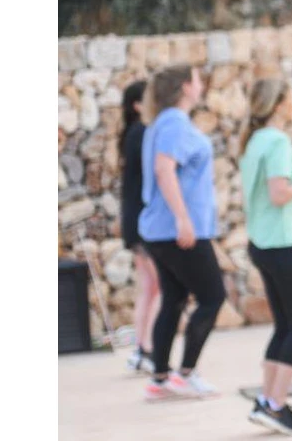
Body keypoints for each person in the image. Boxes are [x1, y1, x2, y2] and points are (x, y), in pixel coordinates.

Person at [138, 63, 225, 401]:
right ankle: (184, 373)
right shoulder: (174, 122)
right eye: (197, 78)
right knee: (212, 297)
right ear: (186, 87)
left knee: (173, 299)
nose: (201, 83)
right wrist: (184, 219)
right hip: (178, 229)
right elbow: (164, 169)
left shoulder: (162, 122)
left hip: (160, 229)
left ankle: (160, 378)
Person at [239, 77, 292, 434]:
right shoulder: (278, 142)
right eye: (291, 98)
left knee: (285, 325)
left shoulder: (255, 140)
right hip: (281, 244)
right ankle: (275, 404)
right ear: (278, 104)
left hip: (263, 243)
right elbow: (279, 194)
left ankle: (267, 401)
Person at [119, 80, 160, 375]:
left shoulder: (131, 134)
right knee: (160, 288)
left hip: (134, 221)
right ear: (137, 105)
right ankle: (149, 348)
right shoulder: (143, 133)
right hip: (145, 222)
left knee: (148, 287)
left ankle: (142, 348)